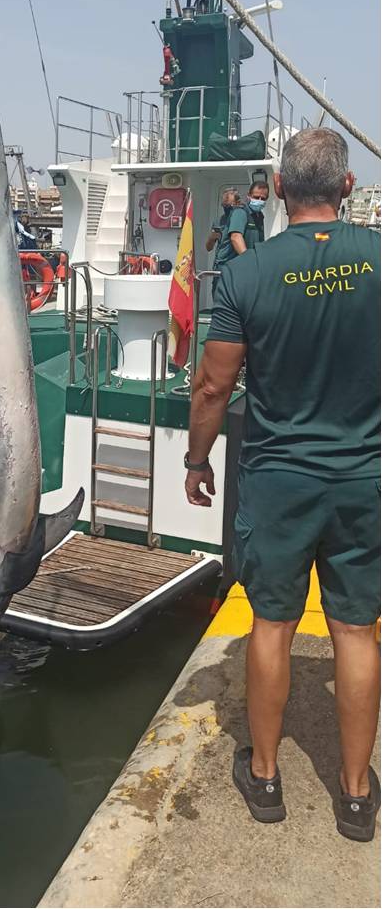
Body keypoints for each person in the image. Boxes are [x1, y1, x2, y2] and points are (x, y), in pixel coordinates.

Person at [184, 129, 380, 840]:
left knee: (271, 623)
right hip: (364, 476)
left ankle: (264, 776)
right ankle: (356, 795)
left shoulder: (246, 274)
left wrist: (196, 461)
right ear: (347, 186)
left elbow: (212, 386)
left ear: (279, 186)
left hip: (277, 479)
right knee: (356, 632)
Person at [207, 189, 240, 298]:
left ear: (237, 204)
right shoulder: (218, 221)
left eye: (230, 205)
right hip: (219, 267)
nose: (226, 207)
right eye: (224, 205)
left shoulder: (241, 218)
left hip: (235, 267)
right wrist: (212, 238)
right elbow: (208, 248)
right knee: (217, 297)